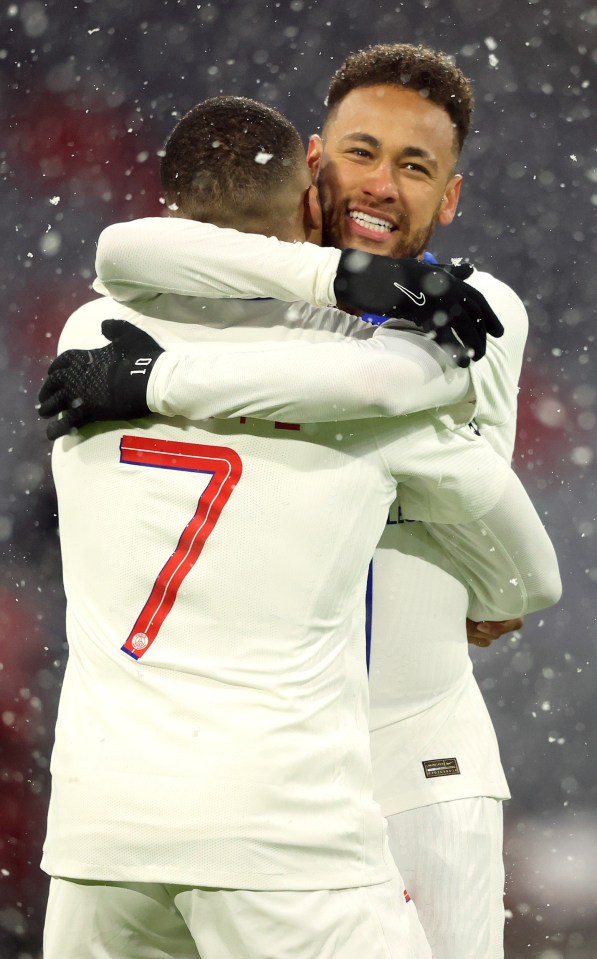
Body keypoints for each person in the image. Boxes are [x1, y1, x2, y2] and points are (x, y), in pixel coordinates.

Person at [38, 95, 562, 959]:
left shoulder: (92, 334)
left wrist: (155, 377)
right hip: (285, 821)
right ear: (311, 185)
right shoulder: (369, 361)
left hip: (104, 825)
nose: (381, 186)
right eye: (362, 155)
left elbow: (128, 248)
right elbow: (529, 572)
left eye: (414, 166)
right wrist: (493, 585)